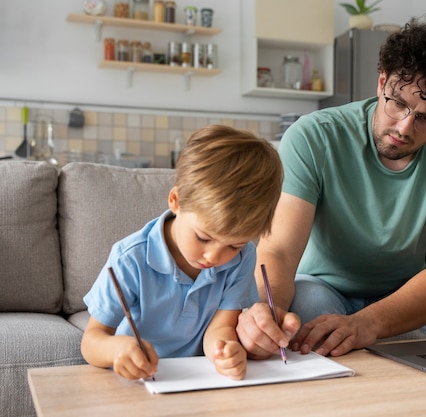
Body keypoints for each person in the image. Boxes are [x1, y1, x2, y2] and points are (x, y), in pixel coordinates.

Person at [237, 15, 426, 359]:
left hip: (411, 296)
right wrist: (267, 313)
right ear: (381, 81)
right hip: (326, 288)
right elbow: (279, 249)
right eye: (398, 103)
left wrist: (366, 324)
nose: (404, 127)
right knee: (307, 314)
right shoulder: (314, 135)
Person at [81, 125, 283, 380]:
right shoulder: (128, 258)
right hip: (137, 382)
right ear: (175, 201)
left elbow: (221, 327)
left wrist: (223, 351)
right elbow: (91, 341)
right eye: (203, 237)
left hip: (199, 378)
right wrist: (116, 349)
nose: (213, 257)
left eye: (234, 245)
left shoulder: (243, 259)